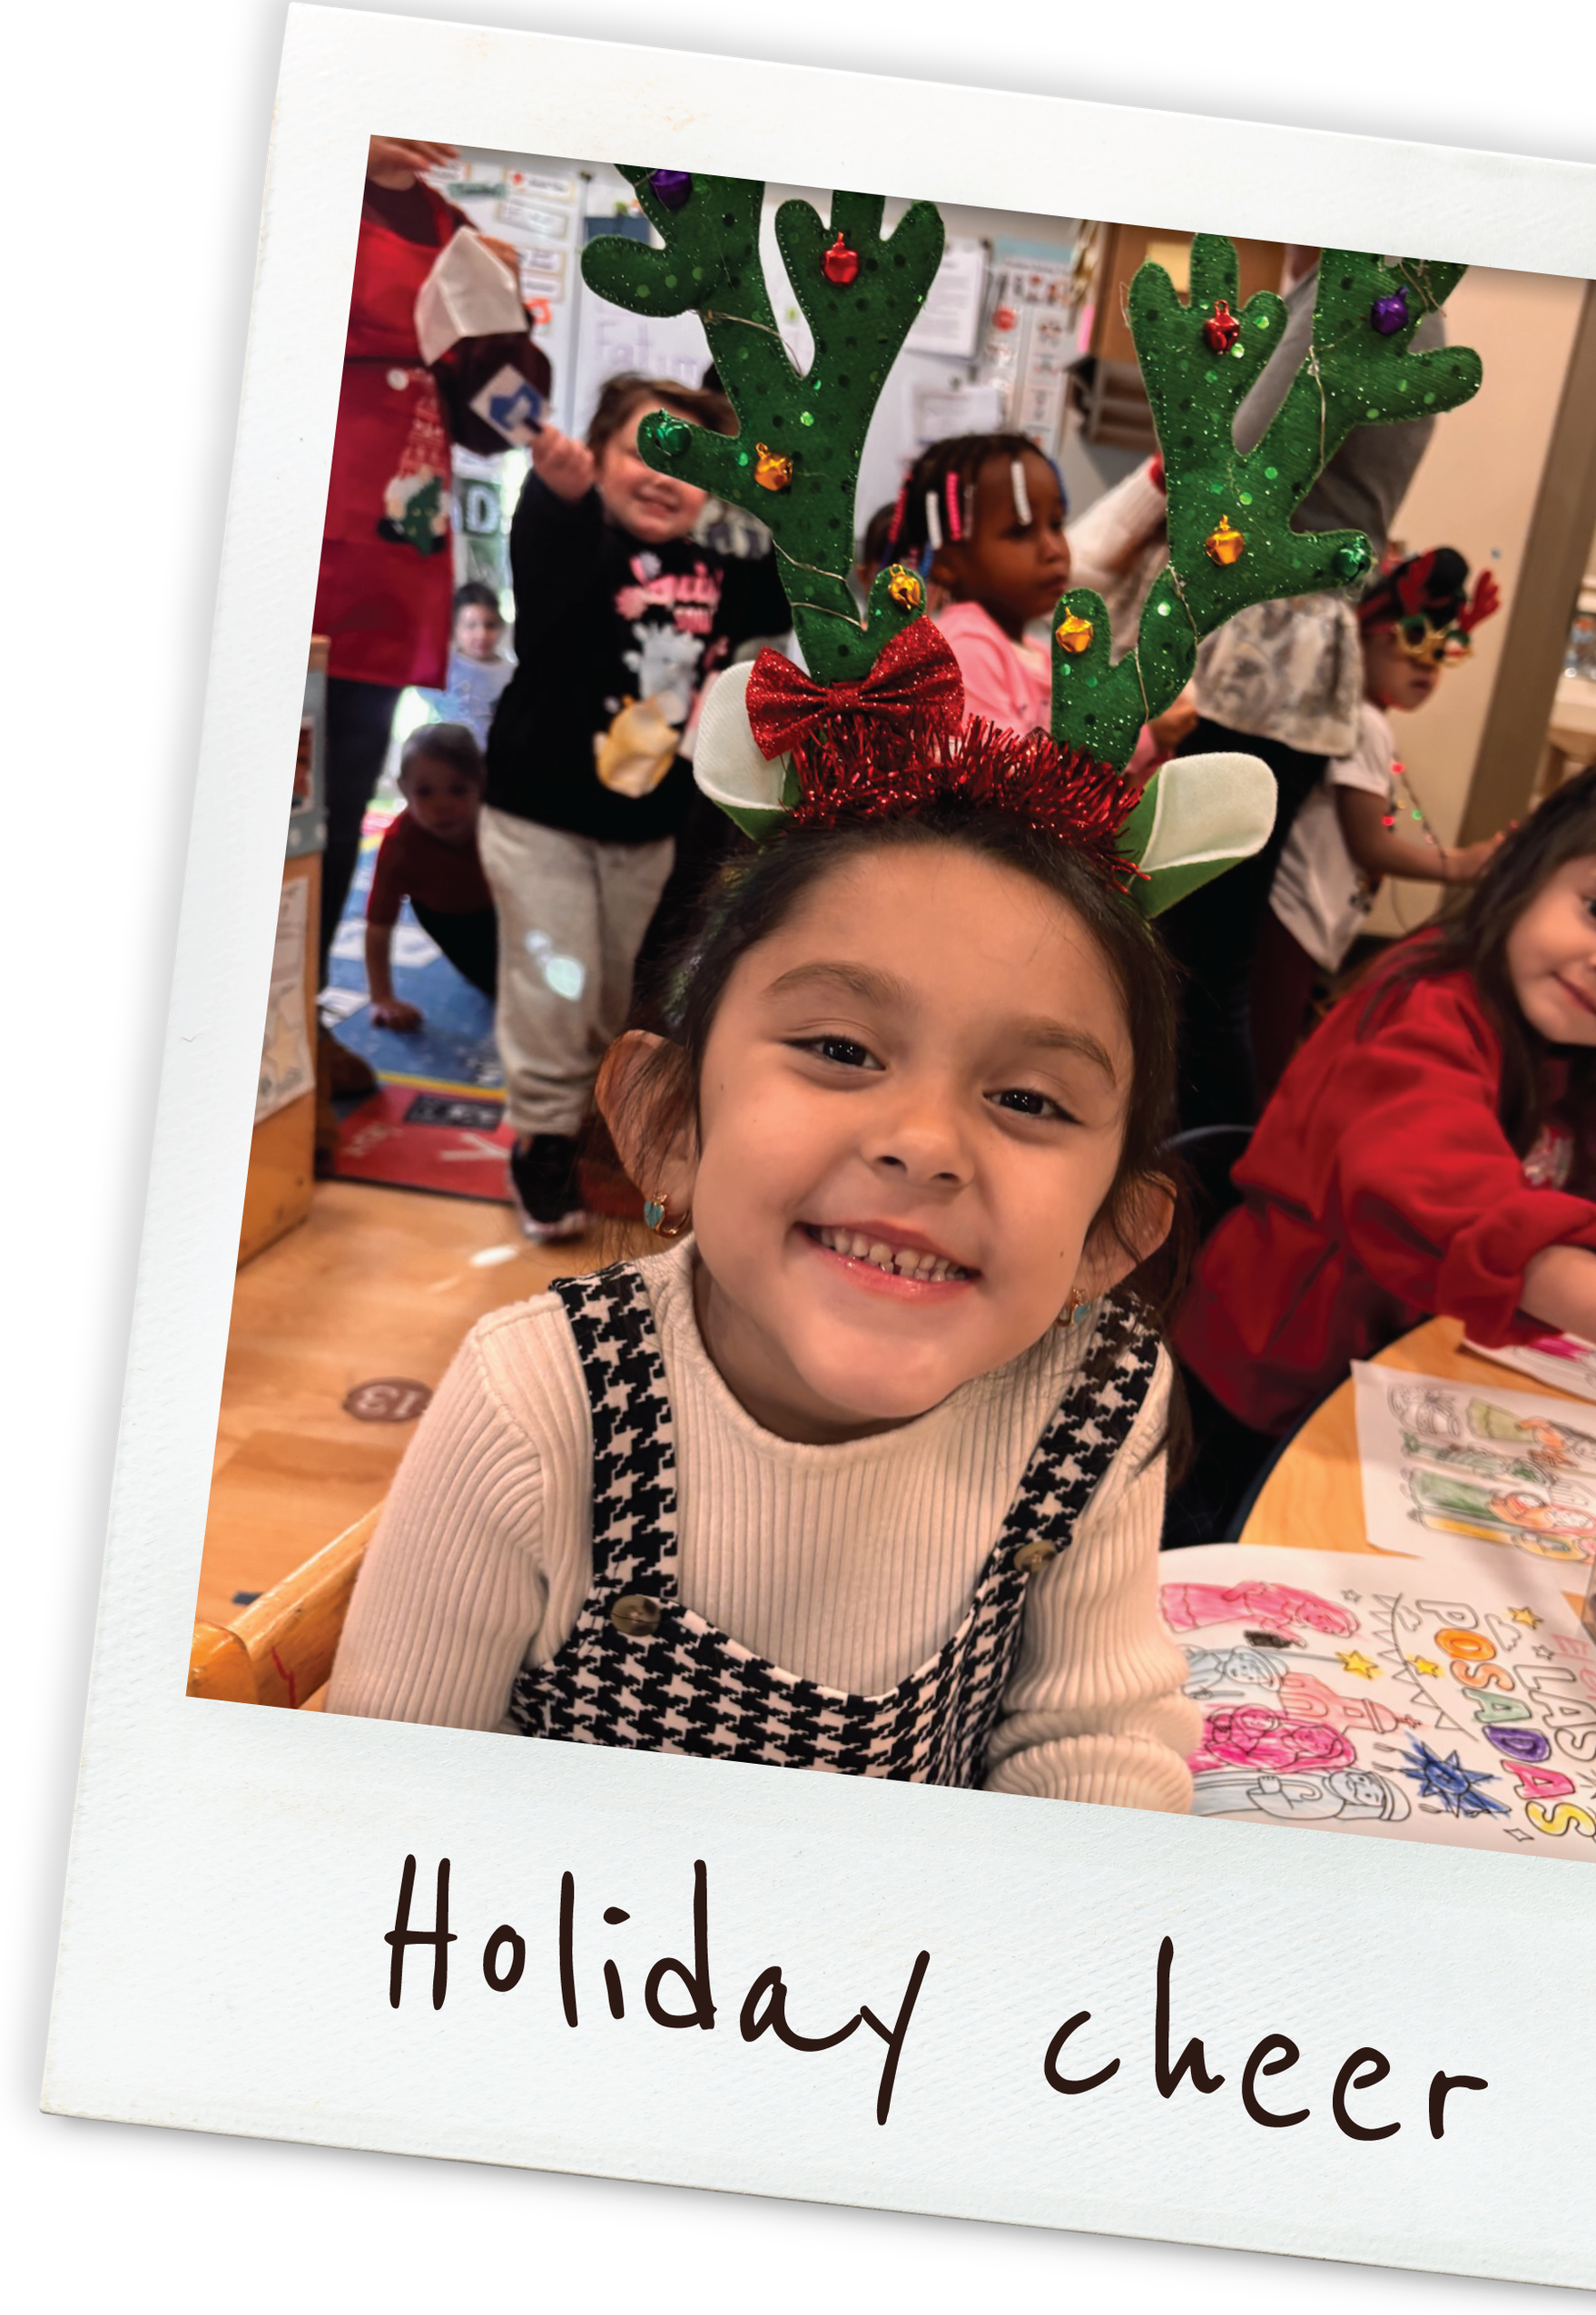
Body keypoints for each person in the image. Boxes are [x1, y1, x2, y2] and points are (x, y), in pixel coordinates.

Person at [328, 765, 1202, 1809]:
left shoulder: (1092, 1393)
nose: (925, 1146)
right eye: (840, 1048)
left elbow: (1093, 1738)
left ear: (1109, 1240)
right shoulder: (541, 1403)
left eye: (1027, 1097)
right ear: (667, 1124)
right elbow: (384, 1821)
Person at [1167, 763, 1596, 1543]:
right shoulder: (1420, 1007)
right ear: (1526, 868)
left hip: (1386, 1394)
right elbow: (1444, 1184)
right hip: (1246, 1405)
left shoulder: (1561, 1056)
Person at [1075, 245, 1453, 1132]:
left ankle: (1205, 1195)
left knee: (1195, 952)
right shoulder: (1394, 293)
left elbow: (1236, 453)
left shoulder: (1368, 286)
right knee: (1198, 949)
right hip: (1270, 641)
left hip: (1258, 649)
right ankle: (1196, 1185)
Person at [480, 372, 791, 1240]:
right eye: (640, 451)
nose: (662, 474)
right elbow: (545, 570)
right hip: (537, 813)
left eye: (684, 461)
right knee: (556, 985)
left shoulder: (722, 567)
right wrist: (561, 491)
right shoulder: (573, 538)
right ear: (600, 456)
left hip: (643, 826)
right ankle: (541, 1142)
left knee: (606, 988)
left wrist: (774, 479)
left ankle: (573, 1122)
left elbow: (789, 576)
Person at [313, 138, 526, 1086]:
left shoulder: (454, 233)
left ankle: (293, 1025)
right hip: (295, 531)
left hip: (394, 564)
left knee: (333, 801)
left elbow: (499, 420)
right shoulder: (305, 171)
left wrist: (507, 323)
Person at [1255, 547, 1507, 1097]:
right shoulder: (1365, 723)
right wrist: (1460, 865)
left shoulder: (1364, 720)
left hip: (1306, 920)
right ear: (1363, 637)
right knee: (1263, 1076)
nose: (1426, 665)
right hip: (1292, 918)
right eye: (1410, 641)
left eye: (1444, 652)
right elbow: (1370, 843)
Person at [874, 437, 1187, 777]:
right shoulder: (964, 647)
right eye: (1020, 531)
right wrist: (1145, 740)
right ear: (948, 561)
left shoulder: (1039, 652)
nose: (1053, 549)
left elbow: (1080, 728)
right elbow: (1011, 781)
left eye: (1055, 524)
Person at [362, 722, 498, 1029]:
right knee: (500, 988)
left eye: (458, 790)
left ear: (483, 784)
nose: (442, 805)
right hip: (449, 922)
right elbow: (378, 927)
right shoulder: (401, 844)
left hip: (506, 909)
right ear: (403, 790)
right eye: (425, 792)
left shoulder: (499, 822)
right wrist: (381, 998)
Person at [439, 580, 513, 746]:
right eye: (471, 625)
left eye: (490, 625)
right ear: (455, 626)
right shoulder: (441, 670)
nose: (481, 634)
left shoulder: (509, 675)